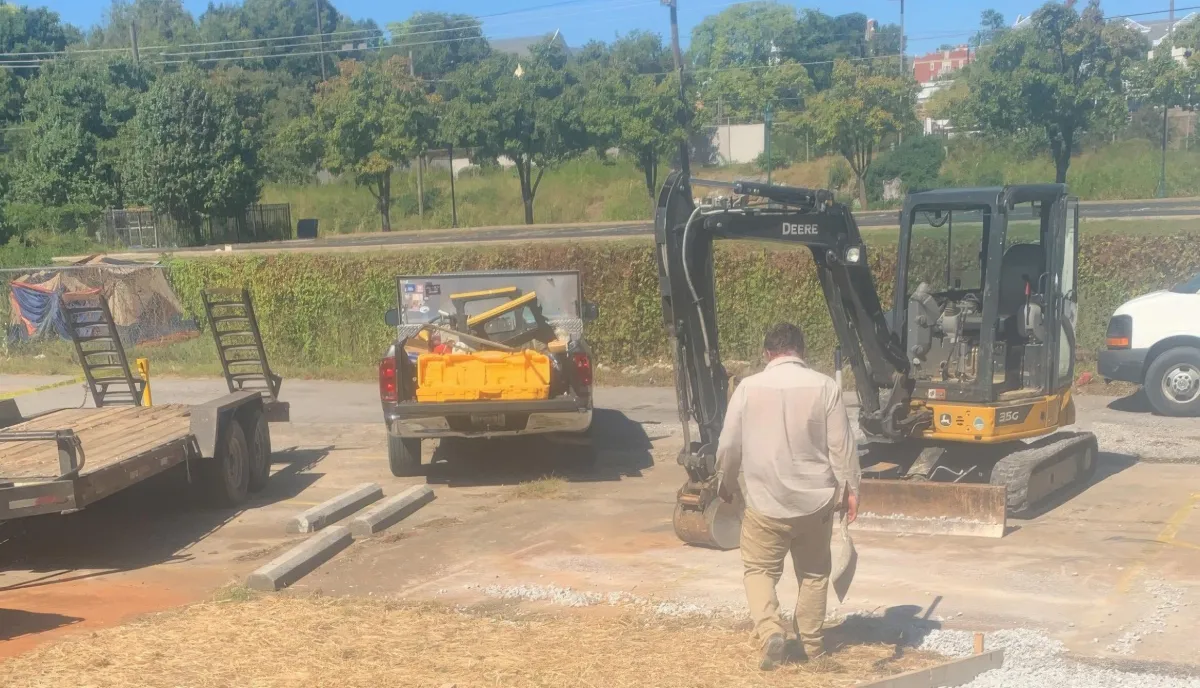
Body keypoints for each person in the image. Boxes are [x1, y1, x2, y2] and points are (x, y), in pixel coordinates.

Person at [715, 322, 860, 671]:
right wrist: (851, 489)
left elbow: (729, 445)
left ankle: (769, 632)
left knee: (759, 569)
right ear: (802, 351)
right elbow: (842, 445)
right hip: (816, 504)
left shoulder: (748, 389)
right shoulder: (825, 386)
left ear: (767, 354)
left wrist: (727, 484)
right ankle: (810, 644)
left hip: (766, 503)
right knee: (813, 573)